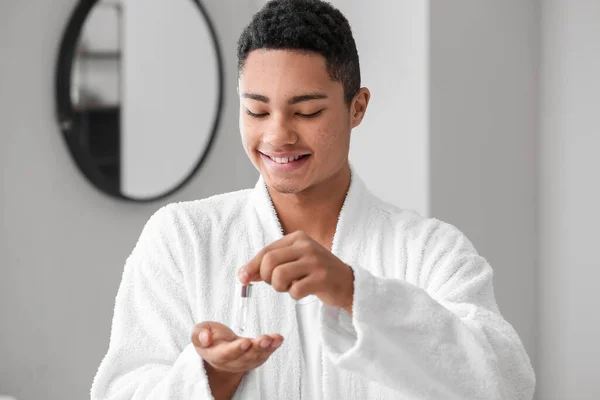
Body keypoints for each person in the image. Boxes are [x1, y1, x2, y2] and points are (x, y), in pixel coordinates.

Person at [90, 0, 536, 399]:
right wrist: (212, 377)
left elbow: (507, 384)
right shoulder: (183, 239)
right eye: (257, 111)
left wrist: (354, 292)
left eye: (307, 112)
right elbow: (120, 391)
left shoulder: (428, 251)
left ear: (356, 108)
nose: (277, 135)